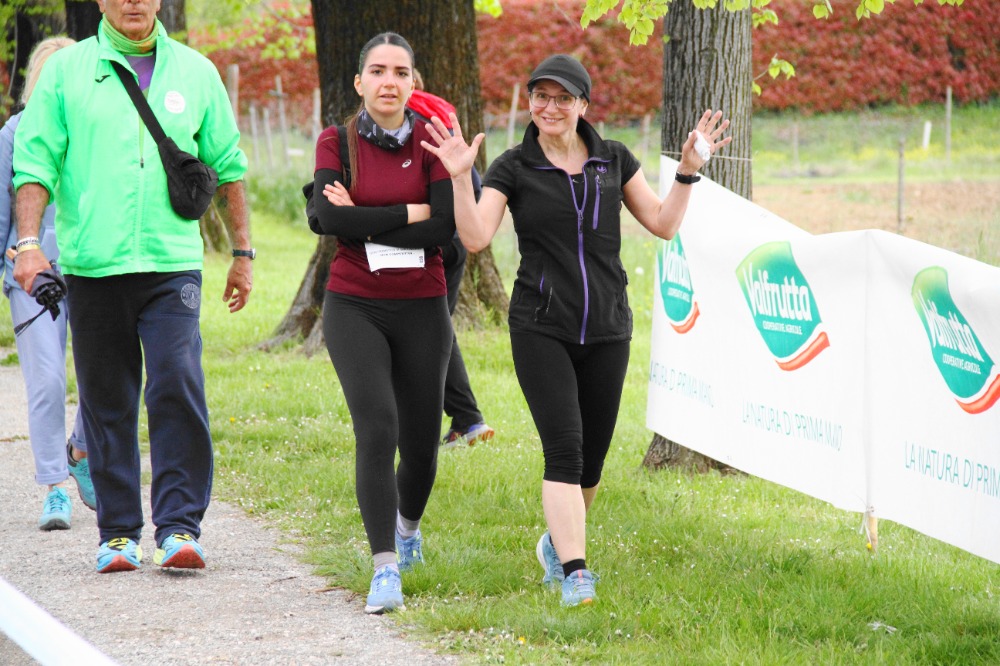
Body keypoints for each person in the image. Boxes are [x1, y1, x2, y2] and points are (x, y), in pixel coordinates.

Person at [424, 54, 731, 606]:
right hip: (541, 327)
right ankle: (576, 572)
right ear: (530, 103)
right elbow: (474, 237)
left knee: (591, 464)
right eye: (540, 96)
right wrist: (458, 178)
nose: (550, 107)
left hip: (609, 328)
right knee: (564, 451)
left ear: (583, 104)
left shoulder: (614, 159)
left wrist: (688, 170)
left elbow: (663, 223)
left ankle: (556, 543)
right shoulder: (514, 167)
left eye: (563, 97)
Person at [12, 0, 251, 573]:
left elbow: (228, 165)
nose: (134, 1)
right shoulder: (66, 73)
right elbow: (35, 163)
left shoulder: (196, 72)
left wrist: (242, 253)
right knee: (106, 399)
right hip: (94, 265)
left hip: (172, 264)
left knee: (177, 383)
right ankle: (118, 533)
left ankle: (179, 526)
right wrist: (29, 243)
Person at [311, 32, 456, 614]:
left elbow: (443, 227)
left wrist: (364, 217)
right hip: (355, 303)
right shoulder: (336, 140)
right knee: (378, 428)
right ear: (360, 82)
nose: (389, 81)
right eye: (377, 71)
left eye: (400, 72)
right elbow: (326, 217)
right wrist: (408, 211)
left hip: (423, 303)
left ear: (413, 82)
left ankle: (408, 529)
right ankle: (384, 568)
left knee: (421, 444)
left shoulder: (433, 140)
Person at [1, 36, 95, 532]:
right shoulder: (15, 133)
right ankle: (55, 486)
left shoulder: (97, 131)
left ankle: (81, 450)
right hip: (30, 275)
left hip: (94, 268)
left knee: (105, 376)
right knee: (47, 380)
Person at [407, 70, 494, 448]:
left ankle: (459, 418)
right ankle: (465, 419)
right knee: (437, 327)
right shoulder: (440, 114)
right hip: (456, 237)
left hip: (431, 241)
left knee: (426, 330)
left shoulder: (411, 122)